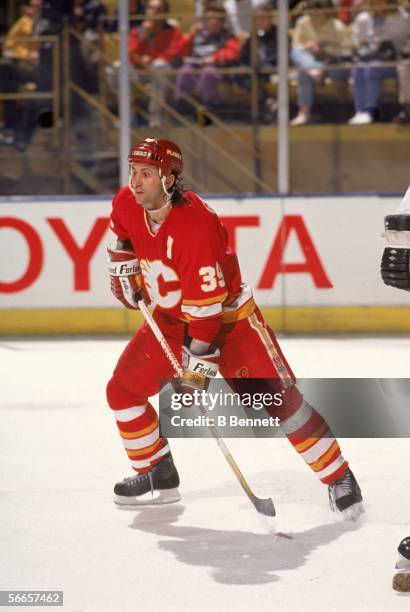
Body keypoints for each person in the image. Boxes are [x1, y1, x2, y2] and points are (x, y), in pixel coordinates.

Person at [106, 136, 364, 520]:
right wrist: (123, 267)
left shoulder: (195, 226)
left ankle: (339, 477)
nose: (136, 182)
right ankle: (155, 471)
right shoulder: (127, 201)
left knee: (282, 406)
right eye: (134, 173)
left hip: (230, 323)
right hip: (172, 318)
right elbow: (122, 235)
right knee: (123, 390)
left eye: (147, 174)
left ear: (170, 180)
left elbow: (207, 319)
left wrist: (195, 373)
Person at [290, 0, 352, 126]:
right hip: (311, 63)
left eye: (319, 14)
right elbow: (296, 46)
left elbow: (347, 50)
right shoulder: (302, 22)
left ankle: (304, 112)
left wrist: (323, 49)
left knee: (303, 72)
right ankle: (314, 71)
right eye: (312, 14)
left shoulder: (337, 26)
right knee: (297, 54)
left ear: (327, 14)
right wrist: (307, 47)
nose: (315, 18)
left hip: (332, 64)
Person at [172, 3, 241, 115]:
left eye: (216, 19)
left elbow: (233, 52)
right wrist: (190, 35)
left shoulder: (226, 35)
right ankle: (181, 107)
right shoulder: (197, 34)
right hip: (194, 66)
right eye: (209, 18)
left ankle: (209, 109)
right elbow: (178, 51)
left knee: (208, 72)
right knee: (185, 71)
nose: (212, 22)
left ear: (222, 21)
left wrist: (214, 58)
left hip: (214, 68)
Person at [349, 0, 410, 125]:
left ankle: (370, 111)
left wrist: (385, 43)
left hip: (395, 61)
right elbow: (357, 42)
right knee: (358, 68)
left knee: (372, 67)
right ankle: (360, 111)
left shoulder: (403, 17)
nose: (377, 3)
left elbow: (404, 43)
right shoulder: (363, 18)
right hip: (369, 58)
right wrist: (365, 47)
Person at [128, 0, 183, 127]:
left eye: (158, 10)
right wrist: (144, 35)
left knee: (159, 65)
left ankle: (155, 117)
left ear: (165, 13)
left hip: (164, 73)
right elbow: (130, 56)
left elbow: (174, 53)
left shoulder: (173, 31)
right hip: (141, 72)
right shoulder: (137, 31)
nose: (154, 12)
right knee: (117, 69)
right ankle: (128, 117)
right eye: (151, 8)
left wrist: (151, 59)